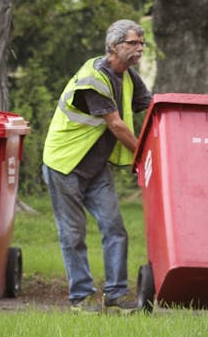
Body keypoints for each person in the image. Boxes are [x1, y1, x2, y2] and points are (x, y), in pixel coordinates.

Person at [42, 19, 152, 313]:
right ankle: (81, 297)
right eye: (133, 43)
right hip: (66, 164)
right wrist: (146, 155)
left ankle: (116, 295)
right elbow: (116, 125)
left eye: (142, 43)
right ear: (115, 46)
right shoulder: (93, 79)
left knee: (115, 228)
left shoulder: (128, 76)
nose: (140, 48)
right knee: (73, 233)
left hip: (95, 167)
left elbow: (152, 108)